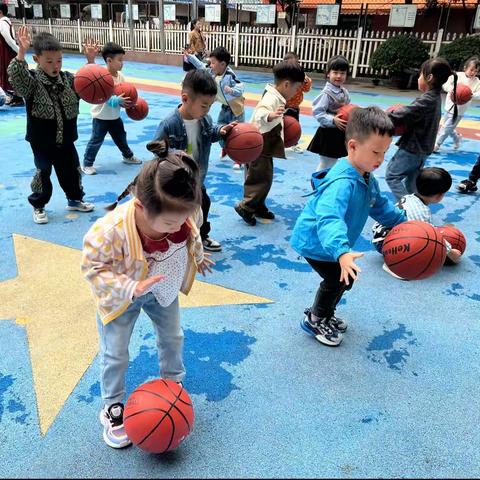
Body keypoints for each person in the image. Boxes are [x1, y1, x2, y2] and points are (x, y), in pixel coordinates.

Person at [82, 140, 214, 449]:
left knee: (173, 337)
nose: (178, 225)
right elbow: (92, 267)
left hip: (163, 288)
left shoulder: (182, 209)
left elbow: (191, 233)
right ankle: (113, 407)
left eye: (183, 217)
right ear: (140, 206)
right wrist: (130, 287)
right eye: (170, 222)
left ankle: (173, 384)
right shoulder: (109, 230)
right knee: (115, 353)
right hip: (121, 297)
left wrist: (198, 254)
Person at [290, 106, 406, 347]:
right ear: (353, 146)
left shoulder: (365, 175)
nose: (380, 160)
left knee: (344, 280)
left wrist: (406, 225)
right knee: (336, 280)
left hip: (334, 245)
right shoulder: (342, 183)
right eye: (375, 152)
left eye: (384, 153)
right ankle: (316, 317)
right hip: (317, 242)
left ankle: (325, 312)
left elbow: (380, 206)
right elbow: (329, 218)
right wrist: (341, 252)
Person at [7, 27, 95, 224]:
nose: (55, 65)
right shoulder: (32, 82)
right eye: (49, 61)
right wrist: (21, 52)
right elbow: (16, 76)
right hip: (41, 141)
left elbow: (88, 84)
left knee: (71, 169)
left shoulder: (68, 79)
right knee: (43, 171)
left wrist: (90, 62)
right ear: (37, 59)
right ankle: (39, 205)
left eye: (59, 60)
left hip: (67, 139)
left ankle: (74, 199)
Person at [151, 69, 236, 252]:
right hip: (176, 180)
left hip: (197, 178)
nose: (207, 110)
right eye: (204, 105)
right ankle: (169, 238)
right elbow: (156, 147)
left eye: (210, 106)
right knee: (175, 211)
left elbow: (210, 132)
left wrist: (220, 130)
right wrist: (175, 153)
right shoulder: (169, 123)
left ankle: (201, 236)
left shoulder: (204, 120)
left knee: (203, 204)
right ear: (185, 98)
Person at [234, 61, 305, 226]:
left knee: (264, 177)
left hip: (264, 144)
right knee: (259, 178)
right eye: (296, 89)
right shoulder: (272, 97)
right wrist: (270, 116)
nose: (296, 93)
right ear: (286, 84)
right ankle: (246, 206)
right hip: (259, 144)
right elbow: (261, 111)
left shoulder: (276, 94)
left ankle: (258, 206)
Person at [386, 58, 458, 200]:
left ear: (429, 77)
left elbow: (403, 114)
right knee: (412, 181)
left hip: (412, 148)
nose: (418, 78)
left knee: (392, 176)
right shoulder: (435, 97)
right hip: (423, 149)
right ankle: (417, 205)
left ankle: (408, 206)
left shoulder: (427, 100)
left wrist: (383, 115)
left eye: (420, 75)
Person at [372, 167, 462, 278]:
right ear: (439, 196)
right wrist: (450, 252)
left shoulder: (410, 197)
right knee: (426, 243)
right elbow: (432, 236)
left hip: (382, 234)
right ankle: (392, 264)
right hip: (385, 243)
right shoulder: (422, 212)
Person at [82, 41, 141, 175]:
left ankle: (127, 155)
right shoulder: (101, 77)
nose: (122, 63)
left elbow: (126, 94)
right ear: (109, 60)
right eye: (119, 60)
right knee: (96, 140)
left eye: (122, 60)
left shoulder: (121, 77)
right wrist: (117, 100)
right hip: (101, 117)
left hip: (114, 117)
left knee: (121, 137)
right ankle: (87, 163)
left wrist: (132, 103)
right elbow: (103, 96)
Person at [186, 45, 245, 168]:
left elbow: (241, 87)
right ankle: (226, 148)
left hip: (236, 109)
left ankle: (238, 158)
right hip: (224, 107)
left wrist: (232, 90)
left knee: (238, 133)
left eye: (213, 63)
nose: (211, 65)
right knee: (220, 130)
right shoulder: (213, 72)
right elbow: (201, 66)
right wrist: (190, 57)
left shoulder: (230, 75)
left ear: (223, 64)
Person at [307, 55, 350, 171]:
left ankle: (328, 183)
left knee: (334, 162)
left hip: (340, 132)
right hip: (328, 134)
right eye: (335, 72)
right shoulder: (326, 94)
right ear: (328, 74)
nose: (339, 76)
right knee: (326, 162)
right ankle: (318, 183)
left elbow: (349, 109)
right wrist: (333, 120)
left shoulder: (344, 92)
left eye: (342, 73)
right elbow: (318, 112)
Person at [434, 56, 480, 152]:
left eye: (476, 71)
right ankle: (457, 137)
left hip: (460, 110)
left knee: (446, 127)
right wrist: (451, 89)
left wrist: (472, 95)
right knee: (449, 126)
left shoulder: (477, 82)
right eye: (471, 70)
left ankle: (436, 144)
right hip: (448, 106)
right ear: (465, 68)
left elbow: (479, 93)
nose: (473, 73)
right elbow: (445, 84)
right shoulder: (456, 76)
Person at [283, 51, 312, 154]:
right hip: (282, 105)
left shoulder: (301, 76)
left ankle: (294, 143)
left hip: (295, 106)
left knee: (294, 126)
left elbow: (306, 89)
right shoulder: (282, 76)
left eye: (295, 64)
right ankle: (278, 143)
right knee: (279, 125)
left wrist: (306, 80)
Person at [0, 3, 22, 106]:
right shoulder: (7, 22)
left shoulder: (2, 23)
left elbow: (9, 40)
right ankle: (16, 97)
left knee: (9, 73)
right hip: (8, 51)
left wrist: (19, 51)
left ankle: (17, 97)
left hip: (7, 53)